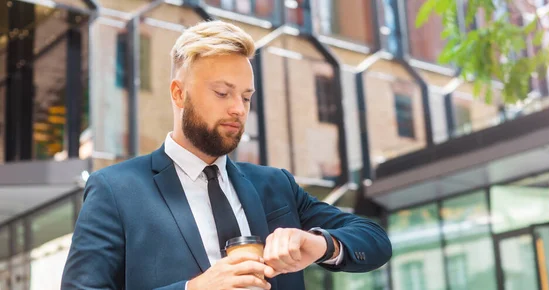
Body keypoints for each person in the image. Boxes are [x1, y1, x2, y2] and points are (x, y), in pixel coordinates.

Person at [61, 20, 391, 290]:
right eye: (222, 93)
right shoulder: (116, 189)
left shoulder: (275, 185)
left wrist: (321, 245)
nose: (237, 109)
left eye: (246, 98)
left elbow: (374, 240)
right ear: (179, 93)